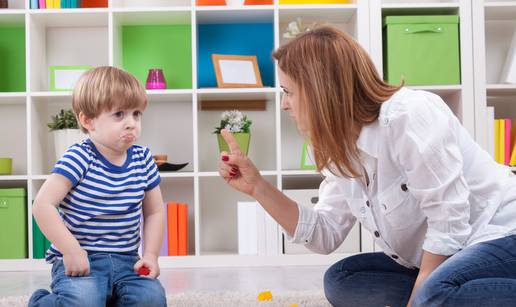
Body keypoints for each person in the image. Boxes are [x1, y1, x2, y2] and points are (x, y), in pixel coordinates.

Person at [218, 26, 516, 307]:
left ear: (319, 90)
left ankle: (442, 293)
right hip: (449, 255)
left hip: (500, 233)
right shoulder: (339, 146)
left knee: (435, 291)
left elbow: (449, 222)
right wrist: (258, 187)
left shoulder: (408, 115)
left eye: (288, 91)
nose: (284, 104)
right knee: (342, 280)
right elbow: (325, 233)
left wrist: (423, 294)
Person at [29, 66, 167, 307]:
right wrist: (71, 251)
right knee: (83, 300)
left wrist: (151, 255)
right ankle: (42, 302)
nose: (131, 123)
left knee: (152, 299)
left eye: (136, 114)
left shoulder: (143, 159)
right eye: (119, 114)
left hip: (127, 261)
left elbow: (155, 211)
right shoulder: (79, 157)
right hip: (83, 260)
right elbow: (43, 205)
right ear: (88, 121)